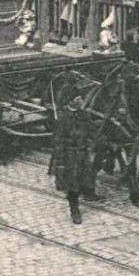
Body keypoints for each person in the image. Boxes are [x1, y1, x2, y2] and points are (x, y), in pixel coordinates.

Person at [50, 94, 95, 224]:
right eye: (77, 99)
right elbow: (57, 141)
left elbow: (92, 131)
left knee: (84, 180)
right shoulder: (62, 117)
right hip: (69, 155)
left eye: (81, 98)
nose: (81, 101)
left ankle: (87, 195)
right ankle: (74, 210)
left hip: (83, 153)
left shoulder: (85, 115)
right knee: (72, 184)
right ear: (70, 101)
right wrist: (60, 162)